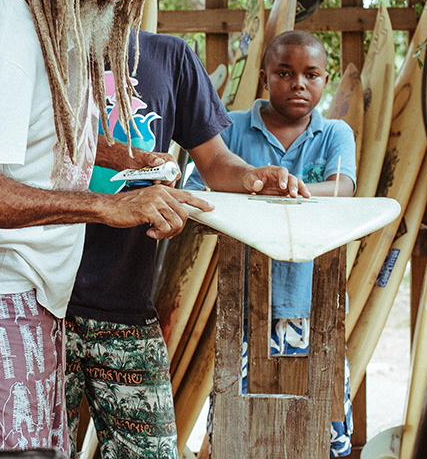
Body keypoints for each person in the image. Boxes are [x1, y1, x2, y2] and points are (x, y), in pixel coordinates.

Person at [0, 0, 306, 458]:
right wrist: (108, 208)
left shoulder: (62, 23)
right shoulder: (12, 30)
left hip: (31, 298)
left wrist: (126, 163)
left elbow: (38, 141)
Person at [64, 30, 307, 459]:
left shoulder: (169, 56)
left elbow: (214, 162)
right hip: (38, 305)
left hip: (124, 304)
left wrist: (251, 177)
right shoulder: (47, 43)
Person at [185, 29, 357, 456]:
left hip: (313, 308)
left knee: (323, 426)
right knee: (237, 426)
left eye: (311, 74)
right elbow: (196, 189)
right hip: (241, 307)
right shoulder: (230, 127)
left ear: (325, 78)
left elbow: (344, 188)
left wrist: (289, 188)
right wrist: (257, 184)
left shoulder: (335, 133)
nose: (298, 83)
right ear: (264, 77)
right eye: (284, 72)